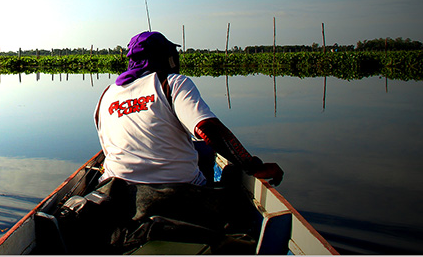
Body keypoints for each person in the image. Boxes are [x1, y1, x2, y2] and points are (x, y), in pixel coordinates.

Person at [95, 30, 283, 188]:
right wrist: (252, 165)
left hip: (116, 188)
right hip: (180, 189)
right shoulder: (172, 83)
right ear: (165, 58)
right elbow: (206, 129)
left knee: (201, 149)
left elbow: (107, 149)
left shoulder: (106, 95)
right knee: (212, 155)